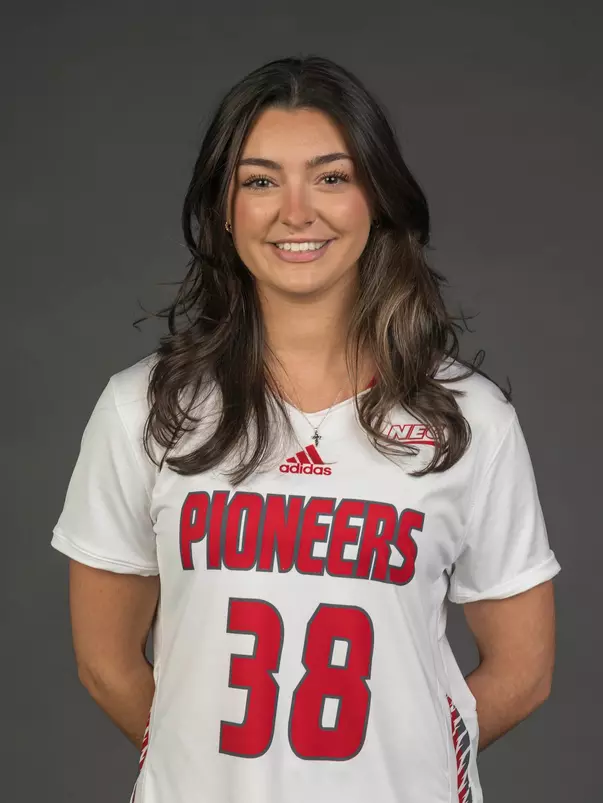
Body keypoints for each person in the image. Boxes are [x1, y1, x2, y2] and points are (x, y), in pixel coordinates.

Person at [51, 55, 561, 803]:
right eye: (260, 181)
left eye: (331, 176)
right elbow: (106, 662)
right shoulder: (144, 408)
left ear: (375, 197)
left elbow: (523, 670)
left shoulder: (468, 418)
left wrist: (391, 761)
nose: (296, 211)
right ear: (223, 208)